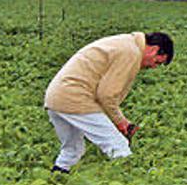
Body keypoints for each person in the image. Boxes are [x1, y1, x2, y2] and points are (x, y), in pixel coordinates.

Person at [44, 32, 174, 173]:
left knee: (72, 149)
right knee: (118, 145)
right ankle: (136, 184)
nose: (153, 67)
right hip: (76, 97)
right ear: (154, 49)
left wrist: (118, 120)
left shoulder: (126, 43)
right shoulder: (131, 52)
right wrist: (120, 121)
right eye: (157, 62)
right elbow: (106, 95)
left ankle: (56, 179)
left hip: (56, 97)